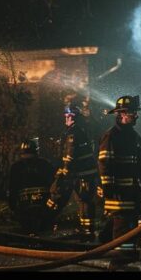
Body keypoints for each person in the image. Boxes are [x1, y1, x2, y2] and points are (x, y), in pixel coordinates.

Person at [97, 95, 141, 251]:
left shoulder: (133, 135)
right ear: (121, 114)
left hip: (132, 193)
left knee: (129, 225)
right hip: (119, 194)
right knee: (122, 229)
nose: (136, 116)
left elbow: (139, 159)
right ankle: (118, 263)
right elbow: (105, 164)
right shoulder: (111, 136)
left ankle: (107, 241)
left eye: (136, 112)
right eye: (132, 113)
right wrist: (108, 189)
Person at [47, 99, 100, 239]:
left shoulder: (74, 133)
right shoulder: (79, 130)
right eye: (65, 115)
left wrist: (63, 174)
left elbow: (70, 157)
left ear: (74, 116)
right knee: (83, 201)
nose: (66, 118)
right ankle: (86, 230)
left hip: (83, 175)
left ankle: (87, 231)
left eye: (69, 115)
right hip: (82, 174)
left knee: (84, 201)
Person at [8, 137, 55, 234]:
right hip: (43, 206)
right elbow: (54, 186)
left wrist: (12, 206)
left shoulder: (16, 167)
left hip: (25, 207)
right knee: (44, 232)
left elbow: (12, 188)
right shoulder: (46, 164)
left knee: (27, 232)